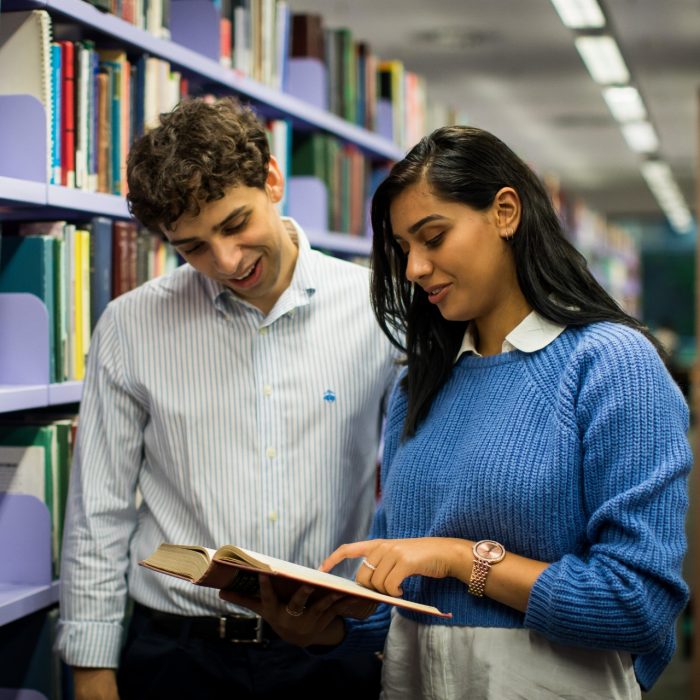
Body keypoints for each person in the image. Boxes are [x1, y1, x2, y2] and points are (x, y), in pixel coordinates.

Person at [221, 125, 692, 699]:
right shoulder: (420, 383)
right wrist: (318, 630)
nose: (415, 268)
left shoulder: (611, 365)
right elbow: (390, 597)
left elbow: (636, 604)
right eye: (403, 248)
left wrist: (457, 557)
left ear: (505, 212)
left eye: (433, 237)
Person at [55, 96, 400, 700]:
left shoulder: (380, 309)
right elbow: (99, 510)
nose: (227, 261)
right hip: (175, 654)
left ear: (271, 179)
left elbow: (410, 485)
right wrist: (91, 671)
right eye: (192, 246)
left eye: (236, 224)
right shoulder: (130, 325)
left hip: (332, 649)